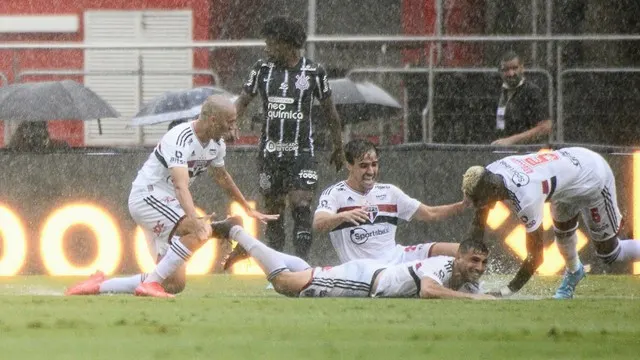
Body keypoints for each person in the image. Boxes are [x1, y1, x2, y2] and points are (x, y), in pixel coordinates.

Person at [65, 95, 278, 298]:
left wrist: (246, 207)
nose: (233, 128)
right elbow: (180, 185)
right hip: (147, 197)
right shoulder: (180, 137)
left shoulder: (217, 144)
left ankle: (99, 285)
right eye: (229, 122)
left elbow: (221, 176)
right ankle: (223, 229)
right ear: (213, 120)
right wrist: (193, 219)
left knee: (174, 283)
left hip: (166, 205)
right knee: (198, 230)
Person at [234, 16, 346, 262]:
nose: (266, 48)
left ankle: (301, 267)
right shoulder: (261, 70)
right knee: (273, 213)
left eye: (271, 43)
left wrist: (339, 147)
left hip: (301, 152)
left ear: (288, 44)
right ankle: (278, 268)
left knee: (301, 205)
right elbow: (242, 101)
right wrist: (228, 124)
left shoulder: (314, 72)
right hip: (270, 153)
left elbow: (331, 113)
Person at [461, 147, 640, 299]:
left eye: (479, 200)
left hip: (592, 177)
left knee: (610, 253)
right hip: (567, 182)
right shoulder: (491, 173)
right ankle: (574, 272)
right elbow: (478, 224)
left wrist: (504, 292)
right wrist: (464, 271)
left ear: (492, 189)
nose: (478, 206)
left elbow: (536, 257)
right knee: (563, 239)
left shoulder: (526, 196)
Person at [216, 217, 494, 300]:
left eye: (482, 263)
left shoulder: (465, 279)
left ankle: (249, 247)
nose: (478, 268)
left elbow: (480, 293)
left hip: (371, 273)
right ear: (457, 258)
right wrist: (474, 299)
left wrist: (497, 295)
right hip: (364, 282)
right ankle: (235, 230)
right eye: (473, 261)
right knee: (285, 283)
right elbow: (428, 290)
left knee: (307, 273)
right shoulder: (442, 266)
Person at [312, 138, 468, 265]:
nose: (371, 171)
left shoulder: (389, 192)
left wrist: (462, 206)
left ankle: (474, 288)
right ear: (349, 165)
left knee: (463, 251)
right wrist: (343, 216)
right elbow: (318, 224)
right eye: (363, 166)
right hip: (363, 271)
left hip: (397, 258)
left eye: (374, 165)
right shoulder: (335, 193)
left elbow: (429, 213)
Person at [491, 51, 552, 146]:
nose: (511, 73)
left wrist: (512, 140)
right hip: (499, 150)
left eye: (514, 68)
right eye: (506, 70)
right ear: (500, 71)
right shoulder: (495, 91)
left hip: (526, 153)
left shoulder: (532, 91)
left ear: (522, 68)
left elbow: (545, 127)